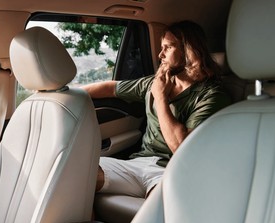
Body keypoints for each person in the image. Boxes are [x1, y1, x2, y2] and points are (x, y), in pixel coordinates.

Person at [82, 20, 232, 198]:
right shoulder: (155, 82)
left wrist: (160, 97)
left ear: (189, 50)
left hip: (172, 170)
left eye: (168, 47)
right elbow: (109, 88)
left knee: (161, 208)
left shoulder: (212, 95)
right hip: (137, 164)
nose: (160, 54)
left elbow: (181, 146)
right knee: (78, 176)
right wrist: (64, 93)